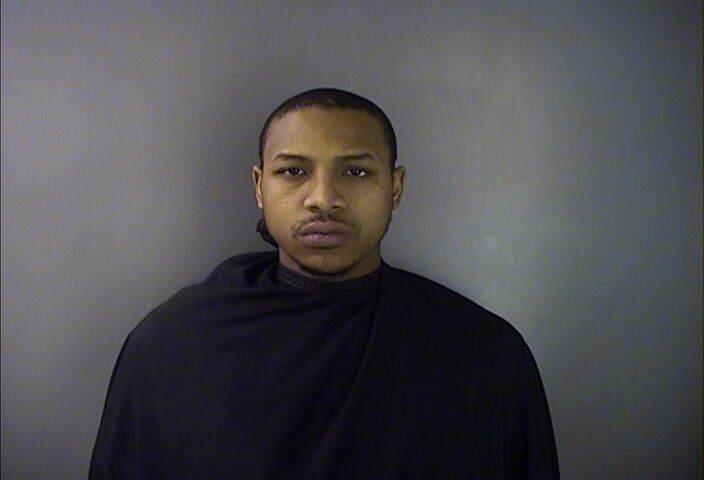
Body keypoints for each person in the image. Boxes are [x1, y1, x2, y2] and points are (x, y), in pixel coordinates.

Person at [89, 88, 560, 479]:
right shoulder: (170, 346)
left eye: (356, 172)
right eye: (293, 171)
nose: (323, 198)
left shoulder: (484, 355)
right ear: (259, 187)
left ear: (395, 188)